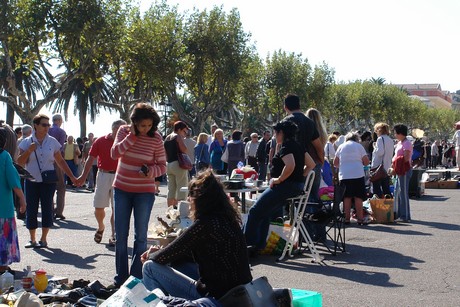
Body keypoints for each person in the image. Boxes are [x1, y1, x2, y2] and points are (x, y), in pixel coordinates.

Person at [141, 169, 252, 300]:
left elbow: (162, 257)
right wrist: (163, 253)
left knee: (149, 267)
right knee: (178, 262)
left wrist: (150, 255)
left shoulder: (203, 225)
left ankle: (156, 303)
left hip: (217, 298)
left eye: (191, 195)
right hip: (241, 294)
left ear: (201, 199)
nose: (188, 199)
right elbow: (180, 251)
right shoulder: (229, 220)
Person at [110, 103, 167, 286]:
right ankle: (120, 278)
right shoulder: (123, 131)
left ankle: (135, 278)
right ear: (134, 122)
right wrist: (132, 136)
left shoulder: (156, 138)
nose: (146, 129)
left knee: (141, 236)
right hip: (122, 189)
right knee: (121, 235)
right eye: (142, 125)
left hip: (144, 192)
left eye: (149, 125)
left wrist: (150, 172)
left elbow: (162, 165)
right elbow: (114, 153)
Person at [244, 120, 315, 252]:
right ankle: (257, 246)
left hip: (284, 187)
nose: (274, 136)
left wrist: (279, 179)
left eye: (276, 133)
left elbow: (290, 165)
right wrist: (300, 177)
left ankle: (247, 244)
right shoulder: (298, 146)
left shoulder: (286, 146)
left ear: (281, 133)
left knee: (254, 211)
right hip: (295, 186)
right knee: (265, 213)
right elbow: (311, 165)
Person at [17, 114, 78, 248]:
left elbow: (60, 161)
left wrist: (72, 177)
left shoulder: (52, 142)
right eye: (44, 125)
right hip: (31, 181)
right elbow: (19, 162)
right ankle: (32, 239)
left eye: (48, 125)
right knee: (31, 209)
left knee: (47, 209)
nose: (47, 127)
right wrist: (28, 151)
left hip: (48, 181)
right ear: (36, 126)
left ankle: (43, 239)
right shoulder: (26, 142)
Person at [77, 120, 126, 246]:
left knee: (117, 208)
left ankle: (114, 235)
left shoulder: (127, 142)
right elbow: (90, 158)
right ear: (113, 129)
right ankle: (101, 227)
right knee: (99, 207)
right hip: (103, 174)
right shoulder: (100, 141)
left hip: (120, 176)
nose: (122, 132)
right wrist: (83, 176)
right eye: (119, 130)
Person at [283, 94, 324, 202]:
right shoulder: (309, 122)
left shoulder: (285, 122)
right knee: (312, 196)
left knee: (292, 198)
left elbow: (280, 146)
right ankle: (311, 217)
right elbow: (318, 145)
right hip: (309, 164)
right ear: (299, 105)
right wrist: (321, 160)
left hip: (291, 165)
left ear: (285, 107)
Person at [0, 124, 26, 274]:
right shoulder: (4, 156)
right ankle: (2, 267)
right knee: (3, 239)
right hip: (3, 208)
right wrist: (22, 199)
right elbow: (14, 180)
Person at [333, 131, 370, 225]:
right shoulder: (359, 146)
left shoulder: (341, 147)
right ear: (357, 139)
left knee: (347, 197)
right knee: (358, 197)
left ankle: (347, 218)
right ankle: (360, 219)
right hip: (358, 174)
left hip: (344, 175)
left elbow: (335, 163)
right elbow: (366, 162)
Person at [164, 121, 191, 208]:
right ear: (179, 129)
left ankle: (169, 210)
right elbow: (184, 149)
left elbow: (165, 154)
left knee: (171, 189)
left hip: (169, 164)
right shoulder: (177, 137)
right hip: (178, 164)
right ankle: (181, 211)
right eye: (184, 131)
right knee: (182, 188)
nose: (185, 134)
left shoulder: (167, 138)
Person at [392, 124, 413, 222]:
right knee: (399, 192)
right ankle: (402, 214)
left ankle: (405, 216)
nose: (395, 134)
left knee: (403, 193)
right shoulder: (400, 143)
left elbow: (406, 158)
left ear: (400, 133)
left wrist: (396, 162)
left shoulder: (407, 143)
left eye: (396, 132)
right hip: (399, 170)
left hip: (404, 169)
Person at [48, 113, 67, 220]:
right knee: (60, 187)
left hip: (46, 161)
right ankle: (59, 211)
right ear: (59, 120)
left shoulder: (47, 130)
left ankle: (49, 209)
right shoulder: (61, 132)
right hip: (56, 160)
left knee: (49, 186)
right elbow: (59, 147)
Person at [371, 123, 394, 198]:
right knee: (386, 189)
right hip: (386, 167)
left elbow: (380, 152)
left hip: (378, 167)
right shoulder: (390, 140)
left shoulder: (380, 139)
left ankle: (378, 207)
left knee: (377, 189)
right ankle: (389, 206)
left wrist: (374, 147)